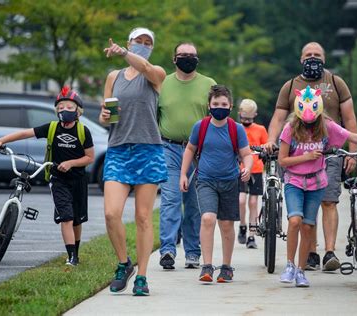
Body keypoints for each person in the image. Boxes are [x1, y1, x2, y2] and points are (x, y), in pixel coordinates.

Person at [278, 86, 357, 287]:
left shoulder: (327, 126)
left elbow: (353, 137)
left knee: (308, 226)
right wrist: (306, 157)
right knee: (295, 221)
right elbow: (282, 160)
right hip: (294, 182)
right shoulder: (290, 128)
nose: (309, 122)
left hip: (317, 182)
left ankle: (301, 271)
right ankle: (290, 265)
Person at [265, 42, 357, 271]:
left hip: (329, 152)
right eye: (308, 55)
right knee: (308, 208)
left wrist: (352, 153)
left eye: (317, 55)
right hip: (299, 154)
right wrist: (271, 140)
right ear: (301, 59)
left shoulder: (336, 83)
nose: (313, 58)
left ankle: (329, 252)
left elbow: (349, 120)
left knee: (328, 200)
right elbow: (278, 117)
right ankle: (311, 253)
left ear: (324, 59)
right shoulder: (290, 86)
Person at [0, 86, 94, 267]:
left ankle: (75, 253)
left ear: (78, 111)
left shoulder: (83, 131)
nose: (64, 111)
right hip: (58, 180)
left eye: (69, 107)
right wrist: (2, 140)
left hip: (78, 180)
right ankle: (71, 257)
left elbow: (89, 158)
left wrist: (71, 163)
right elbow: (25, 133)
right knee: (67, 218)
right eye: (60, 108)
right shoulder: (52, 128)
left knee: (77, 219)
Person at [100, 27, 168, 296]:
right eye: (137, 41)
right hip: (118, 149)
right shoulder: (113, 76)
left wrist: (126, 53)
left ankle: (141, 276)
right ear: (129, 41)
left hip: (148, 150)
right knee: (111, 213)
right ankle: (123, 263)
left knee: (143, 217)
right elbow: (108, 114)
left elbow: (147, 69)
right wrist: (105, 116)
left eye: (147, 42)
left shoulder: (156, 74)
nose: (142, 45)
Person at [179, 85, 253, 283]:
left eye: (223, 104)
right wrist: (183, 175)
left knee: (227, 224)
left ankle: (226, 267)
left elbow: (246, 154)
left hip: (230, 181)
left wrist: (246, 168)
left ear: (230, 107)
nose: (219, 107)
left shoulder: (235, 128)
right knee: (208, 219)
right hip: (205, 181)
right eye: (215, 104)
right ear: (209, 106)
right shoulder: (200, 126)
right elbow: (189, 150)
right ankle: (207, 266)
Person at [158, 42, 217, 270]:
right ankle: (167, 251)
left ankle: (193, 252)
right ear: (174, 59)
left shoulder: (208, 84)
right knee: (171, 199)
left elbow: (215, 118)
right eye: (183, 55)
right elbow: (155, 117)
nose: (188, 58)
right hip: (169, 149)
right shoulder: (163, 83)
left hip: (199, 153)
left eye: (192, 55)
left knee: (194, 204)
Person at [237, 99, 268, 249]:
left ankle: (252, 235)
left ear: (255, 115)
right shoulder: (237, 128)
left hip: (255, 169)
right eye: (244, 119)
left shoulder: (260, 129)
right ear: (239, 115)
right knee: (241, 200)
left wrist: (262, 150)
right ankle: (243, 225)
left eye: (249, 119)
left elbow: (266, 146)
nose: (246, 121)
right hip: (241, 169)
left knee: (254, 202)